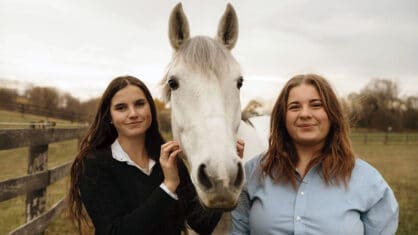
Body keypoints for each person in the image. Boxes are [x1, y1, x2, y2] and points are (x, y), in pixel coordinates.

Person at [68, 75, 245, 235]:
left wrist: (223, 175)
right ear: (110, 117)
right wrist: (168, 187)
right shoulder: (93, 164)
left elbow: (201, 224)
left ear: (150, 109)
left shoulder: (169, 159)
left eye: (139, 104)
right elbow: (114, 231)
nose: (133, 114)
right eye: (121, 108)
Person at [231, 74, 399, 235]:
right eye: (295, 107)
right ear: (283, 117)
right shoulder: (254, 172)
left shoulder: (368, 181)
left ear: (332, 114)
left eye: (316, 105)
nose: (305, 114)